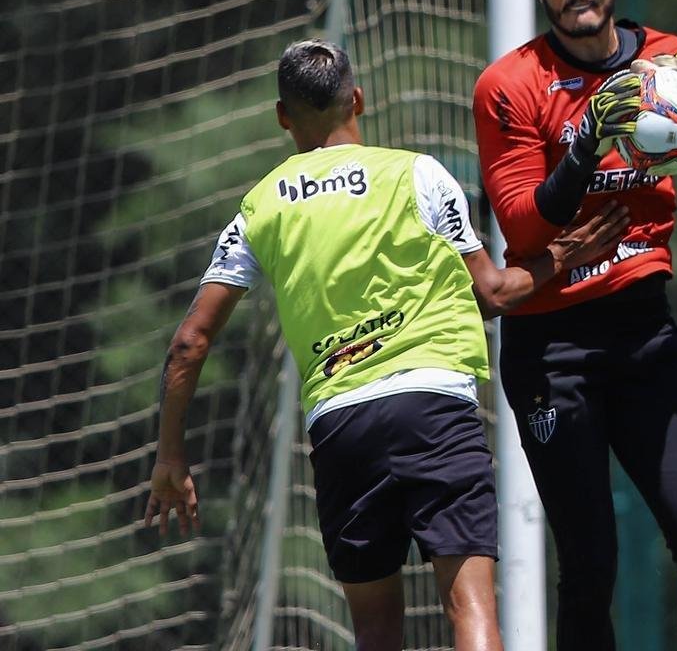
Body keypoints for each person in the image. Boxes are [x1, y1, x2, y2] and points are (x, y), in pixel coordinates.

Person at [143, 39, 628, 651]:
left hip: (342, 426)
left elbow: (190, 341)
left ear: (282, 116)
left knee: (375, 631)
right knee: (471, 610)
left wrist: (169, 455)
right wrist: (565, 254)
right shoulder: (417, 173)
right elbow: (496, 294)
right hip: (435, 410)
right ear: (359, 100)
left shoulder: (258, 207)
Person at [471, 0, 677, 650]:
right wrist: (589, 138)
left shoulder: (672, 63)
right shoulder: (509, 84)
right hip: (550, 351)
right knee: (590, 566)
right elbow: (523, 226)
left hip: (645, 335)